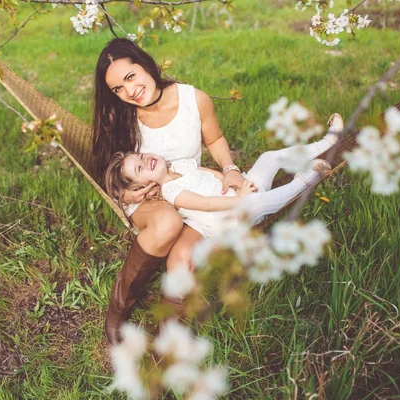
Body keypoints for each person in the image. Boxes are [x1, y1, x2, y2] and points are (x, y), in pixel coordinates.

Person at [92, 37, 342, 344]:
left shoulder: (193, 99)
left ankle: (166, 345)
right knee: (168, 221)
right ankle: (120, 308)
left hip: (193, 194)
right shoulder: (121, 114)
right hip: (148, 200)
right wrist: (128, 194)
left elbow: (215, 140)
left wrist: (230, 171)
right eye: (118, 89)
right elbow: (108, 167)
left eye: (130, 77)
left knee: (182, 259)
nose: (128, 91)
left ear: (144, 64)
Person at [104, 153, 332, 241]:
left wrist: (234, 180)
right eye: (140, 168)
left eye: (142, 156)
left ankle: (326, 143)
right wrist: (241, 199)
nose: (146, 161)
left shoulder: (180, 165)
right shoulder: (172, 192)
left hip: (234, 193)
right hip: (232, 219)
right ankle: (305, 181)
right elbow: (207, 204)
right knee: (258, 202)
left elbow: (211, 174)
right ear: (145, 186)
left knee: (268, 158)